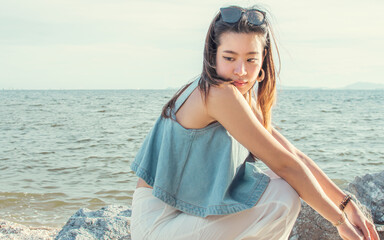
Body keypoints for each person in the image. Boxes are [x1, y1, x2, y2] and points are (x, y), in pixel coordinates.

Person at [130, 5, 379, 240]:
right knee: (283, 195)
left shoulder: (238, 95)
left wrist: (346, 203)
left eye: (251, 59)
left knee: (278, 183)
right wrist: (339, 223)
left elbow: (294, 156)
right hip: (160, 225)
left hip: (187, 212)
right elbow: (285, 165)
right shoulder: (217, 94)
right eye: (229, 58)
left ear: (263, 58)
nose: (241, 70)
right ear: (213, 55)